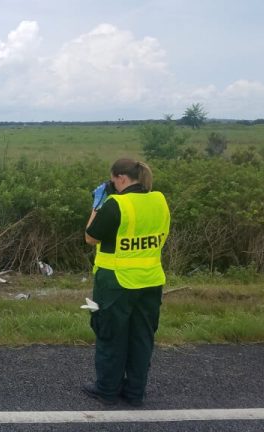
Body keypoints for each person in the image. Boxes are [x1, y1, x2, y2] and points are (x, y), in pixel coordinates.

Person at [82, 158, 170, 407]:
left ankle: (107, 389)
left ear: (121, 178)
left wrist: (97, 204)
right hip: (151, 280)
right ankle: (135, 392)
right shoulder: (159, 200)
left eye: (112, 180)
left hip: (116, 282)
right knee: (142, 336)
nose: (111, 184)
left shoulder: (116, 204)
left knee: (110, 334)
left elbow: (90, 237)